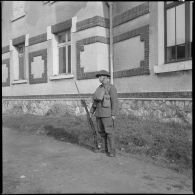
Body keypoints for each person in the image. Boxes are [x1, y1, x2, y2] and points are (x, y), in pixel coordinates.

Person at [90, 70, 118, 157]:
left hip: (107, 114)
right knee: (101, 132)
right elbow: (95, 101)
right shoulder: (99, 88)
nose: (99, 78)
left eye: (100, 76)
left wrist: (113, 114)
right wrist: (91, 111)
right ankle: (104, 148)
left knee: (109, 132)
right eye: (99, 77)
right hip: (98, 114)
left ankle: (112, 151)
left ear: (105, 77)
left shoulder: (111, 88)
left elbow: (114, 102)